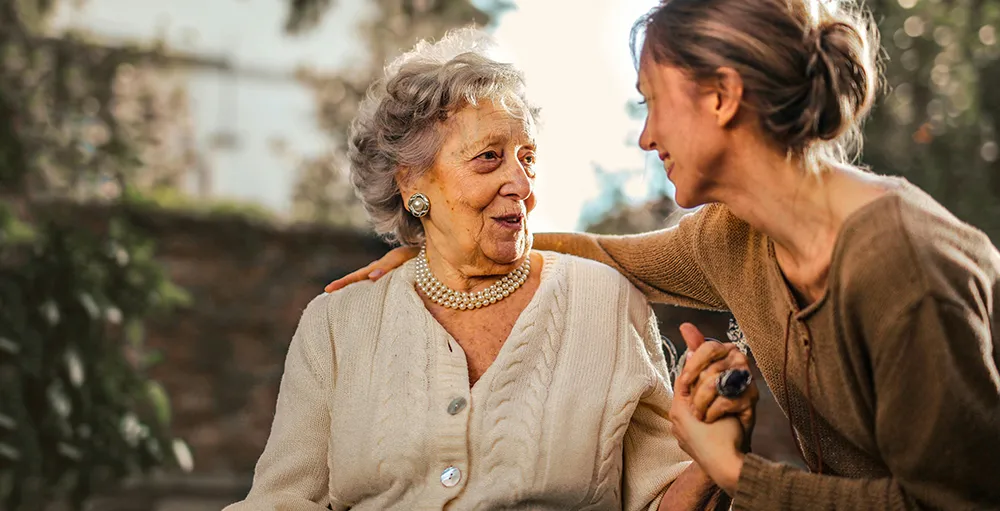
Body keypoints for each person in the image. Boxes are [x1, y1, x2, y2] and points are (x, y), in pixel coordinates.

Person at [325, 0, 1000, 509]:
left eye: (652, 104)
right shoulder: (734, 237)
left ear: (721, 96)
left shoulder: (902, 264)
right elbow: (604, 255)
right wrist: (440, 250)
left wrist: (737, 472)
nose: (646, 137)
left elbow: (954, 502)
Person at [226, 29, 748, 511]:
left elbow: (659, 500)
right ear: (412, 185)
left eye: (527, 157)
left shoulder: (605, 302)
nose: (521, 184)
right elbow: (281, 500)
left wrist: (711, 457)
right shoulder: (338, 323)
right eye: (488, 158)